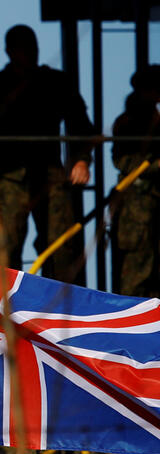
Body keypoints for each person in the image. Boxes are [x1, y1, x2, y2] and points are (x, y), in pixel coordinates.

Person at [0, 25, 96, 280]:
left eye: (33, 47)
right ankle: (5, 311)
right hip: (10, 179)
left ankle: (61, 313)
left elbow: (81, 125)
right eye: (23, 48)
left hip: (51, 176)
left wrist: (82, 161)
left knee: (60, 246)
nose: (30, 53)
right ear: (9, 51)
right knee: (6, 250)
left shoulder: (55, 83)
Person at [111, 65, 160, 298]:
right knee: (137, 274)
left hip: (150, 203)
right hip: (136, 207)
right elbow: (122, 161)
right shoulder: (129, 122)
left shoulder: (154, 119)